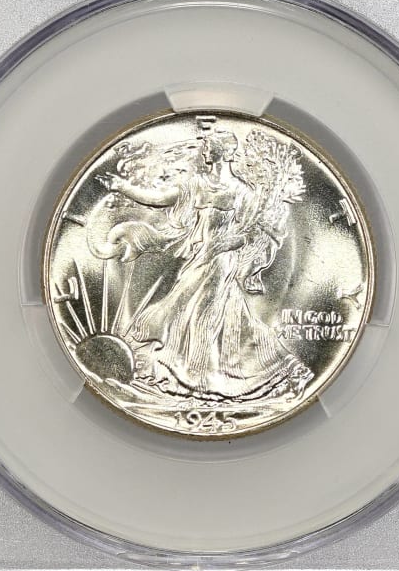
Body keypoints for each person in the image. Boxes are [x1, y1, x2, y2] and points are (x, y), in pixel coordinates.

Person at [91, 128, 313, 402]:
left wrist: (226, 243)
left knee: (199, 314)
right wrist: (121, 186)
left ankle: (198, 377)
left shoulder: (242, 192)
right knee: (188, 310)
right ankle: (201, 374)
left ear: (222, 152)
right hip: (199, 258)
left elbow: (249, 233)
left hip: (221, 262)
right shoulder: (196, 185)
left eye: (208, 146)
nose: (204, 151)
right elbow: (159, 199)